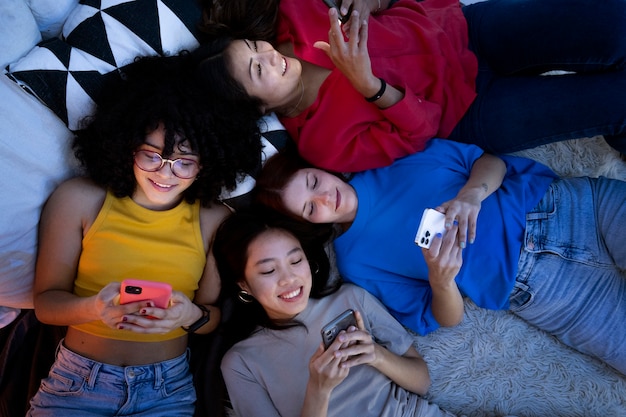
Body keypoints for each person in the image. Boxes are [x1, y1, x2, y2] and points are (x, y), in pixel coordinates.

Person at [252, 139, 626, 376]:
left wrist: (471, 195)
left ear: (318, 168)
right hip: (544, 290)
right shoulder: (355, 263)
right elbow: (444, 319)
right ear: (307, 225)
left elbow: (489, 161)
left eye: (314, 183)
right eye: (310, 209)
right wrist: (441, 280)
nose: (324, 198)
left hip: (569, 209)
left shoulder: (389, 155)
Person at [26, 55, 262, 416]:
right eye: (152, 155)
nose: (165, 174)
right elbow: (45, 304)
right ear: (127, 146)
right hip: (78, 384)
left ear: (206, 165)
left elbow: (210, 315)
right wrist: (94, 308)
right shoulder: (78, 199)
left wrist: (187, 315)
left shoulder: (214, 219)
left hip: (168, 390)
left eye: (185, 162)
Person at [196, 0, 626, 173]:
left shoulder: (293, 13)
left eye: (256, 46)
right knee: (616, 99)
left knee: (615, 22)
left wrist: (371, 0)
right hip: (470, 111)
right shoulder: (320, 143)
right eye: (257, 70)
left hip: (460, 30)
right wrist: (368, 85)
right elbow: (421, 133)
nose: (270, 55)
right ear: (256, 109)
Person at [212, 210, 463, 417]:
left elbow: (422, 381)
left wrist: (376, 355)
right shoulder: (241, 363)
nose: (289, 279)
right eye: (268, 271)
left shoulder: (351, 298)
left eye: (296, 261)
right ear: (243, 284)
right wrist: (318, 390)